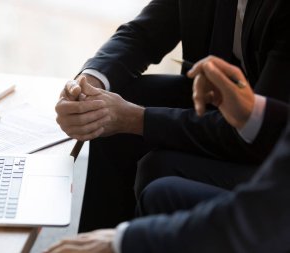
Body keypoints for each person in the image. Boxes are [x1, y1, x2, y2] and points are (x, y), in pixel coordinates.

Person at [55, 0, 290, 231]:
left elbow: (265, 131)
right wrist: (88, 82)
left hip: (270, 143)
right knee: (108, 107)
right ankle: (92, 245)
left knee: (157, 167)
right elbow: (144, 34)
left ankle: (125, 244)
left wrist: (136, 119)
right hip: (213, 101)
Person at [45, 57, 290, 253]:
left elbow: (266, 213)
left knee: (162, 185)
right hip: (266, 125)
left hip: (265, 166)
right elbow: (147, 29)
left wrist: (123, 241)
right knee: (109, 109)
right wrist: (252, 113)